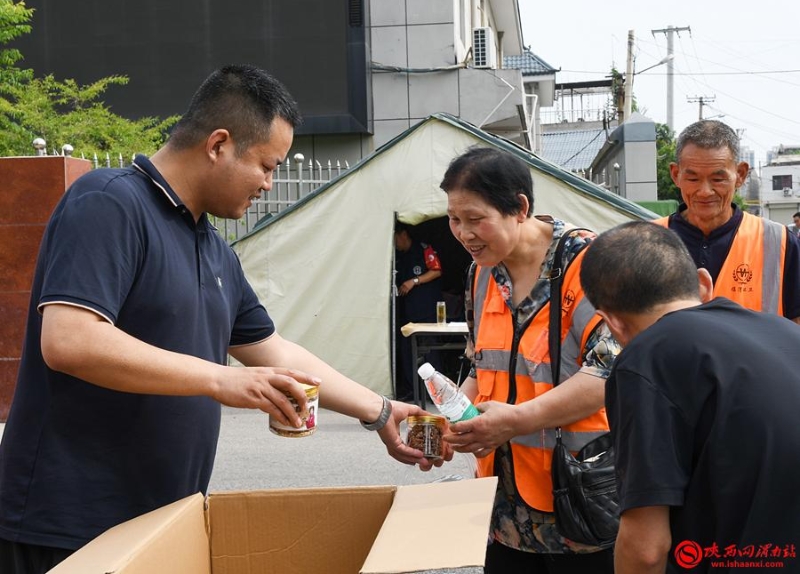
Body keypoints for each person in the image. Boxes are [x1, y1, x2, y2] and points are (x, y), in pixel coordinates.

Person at [0, 65, 445, 574]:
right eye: (266, 165)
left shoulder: (213, 248)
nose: (268, 183)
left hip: (162, 520)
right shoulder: (109, 203)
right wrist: (221, 379)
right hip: (68, 527)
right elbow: (70, 341)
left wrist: (382, 411)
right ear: (218, 145)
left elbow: (275, 351)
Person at [580, 221, 800, 574]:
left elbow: (646, 548)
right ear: (703, 283)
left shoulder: (646, 360)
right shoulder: (784, 331)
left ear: (610, 323)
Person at [439, 147, 619, 573]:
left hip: (578, 503)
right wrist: (454, 420)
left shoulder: (590, 263)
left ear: (520, 208)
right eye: (454, 219)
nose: (464, 233)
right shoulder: (480, 270)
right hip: (503, 512)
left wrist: (514, 420)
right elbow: (478, 365)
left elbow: (608, 373)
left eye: (475, 218)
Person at [657, 119, 800, 323]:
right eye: (693, 179)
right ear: (676, 174)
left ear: (740, 175)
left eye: (718, 179)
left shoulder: (780, 243)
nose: (705, 192)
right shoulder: (648, 241)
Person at [393, 222, 444, 401]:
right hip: (408, 311)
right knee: (407, 350)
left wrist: (414, 281)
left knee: (429, 350)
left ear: (403, 235)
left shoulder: (423, 249)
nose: (395, 244)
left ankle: (436, 392)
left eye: (395, 239)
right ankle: (413, 389)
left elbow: (436, 270)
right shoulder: (399, 256)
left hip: (426, 309)